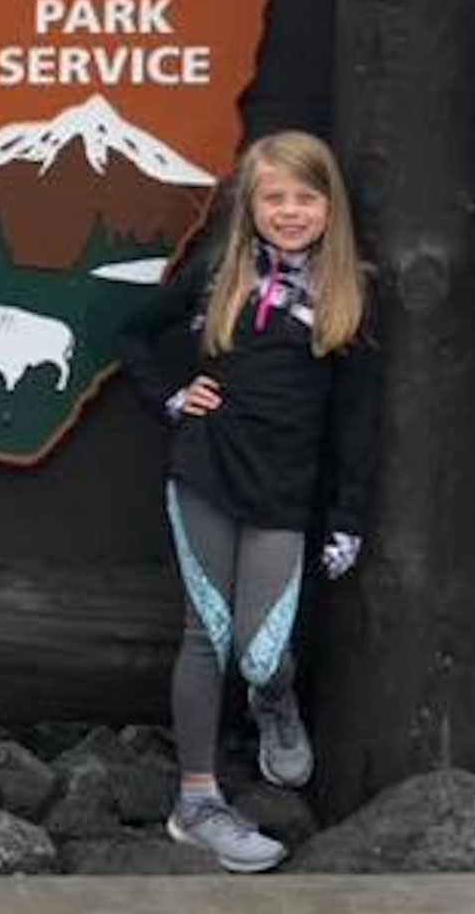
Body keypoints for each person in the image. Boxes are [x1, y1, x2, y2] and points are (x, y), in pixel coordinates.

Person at [116, 130, 379, 873]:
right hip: (203, 471)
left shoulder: (351, 292)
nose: (291, 212)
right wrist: (171, 398)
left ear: (330, 205)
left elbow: (358, 420)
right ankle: (196, 800)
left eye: (306, 196)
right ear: (250, 205)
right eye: (275, 197)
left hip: (285, 493)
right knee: (207, 635)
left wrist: (350, 515)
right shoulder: (216, 275)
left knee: (263, 652)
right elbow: (133, 335)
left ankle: (274, 700)